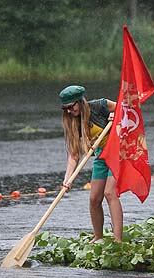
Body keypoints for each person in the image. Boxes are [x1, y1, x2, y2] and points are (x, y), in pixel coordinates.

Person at [59, 85, 123, 243]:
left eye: (71, 106)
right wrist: (68, 179)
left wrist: (116, 117)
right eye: (65, 108)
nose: (68, 111)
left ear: (80, 102)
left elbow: (125, 109)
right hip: (102, 155)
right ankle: (98, 236)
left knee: (110, 193)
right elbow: (74, 154)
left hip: (119, 151)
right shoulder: (73, 122)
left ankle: (118, 240)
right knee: (94, 198)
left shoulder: (100, 105)